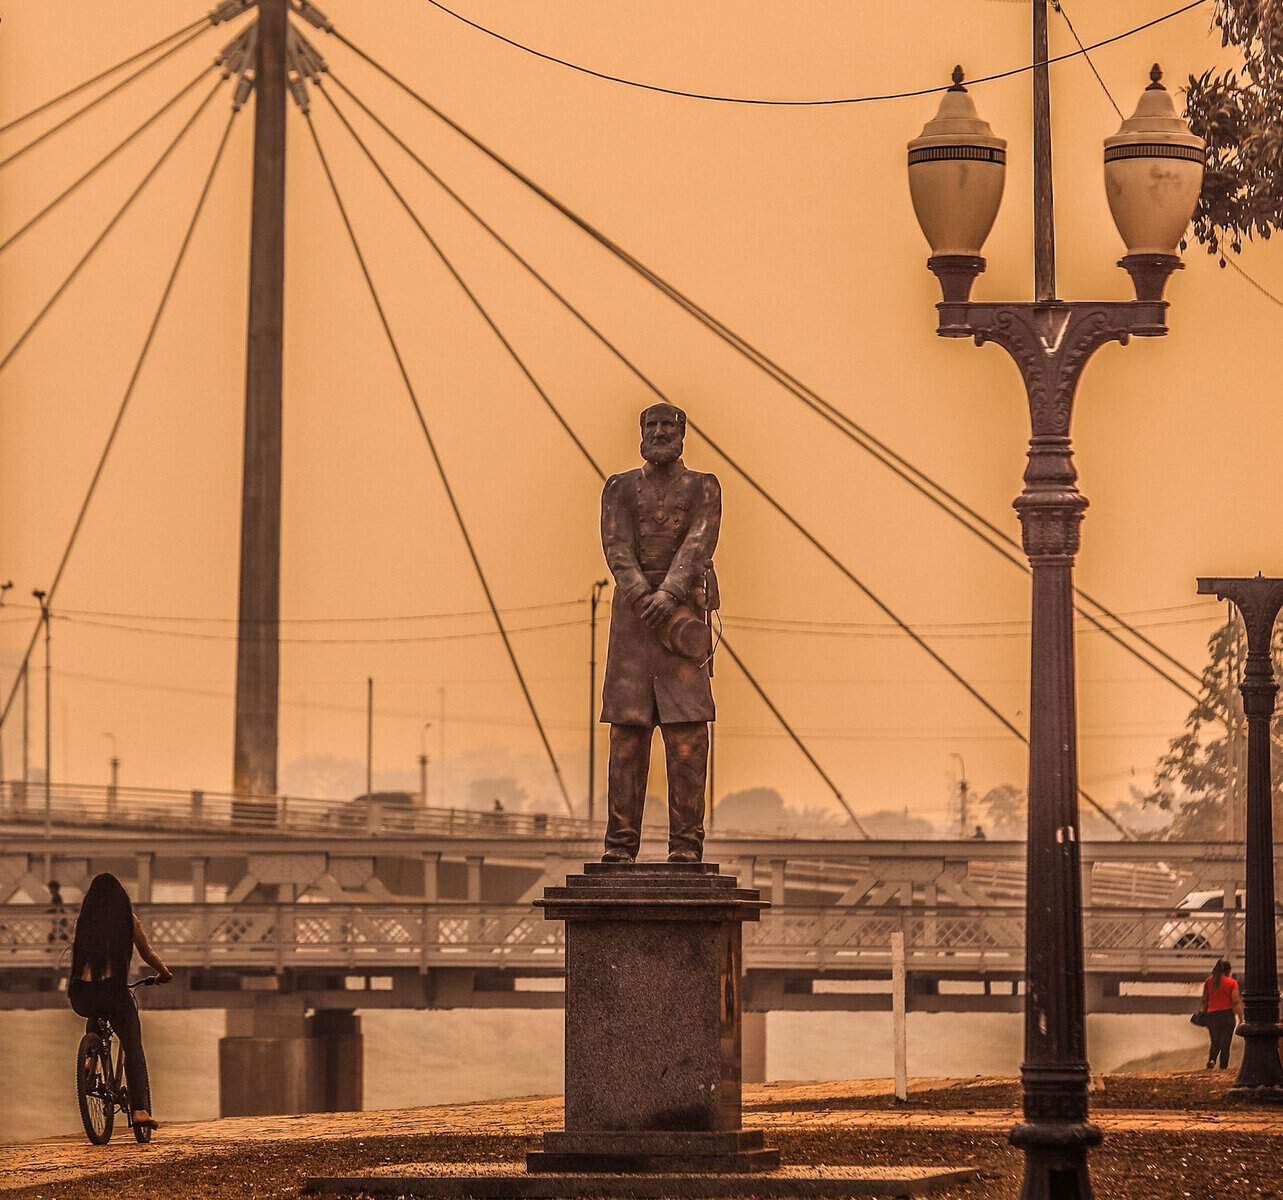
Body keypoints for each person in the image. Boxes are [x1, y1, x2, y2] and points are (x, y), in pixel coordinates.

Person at [599, 402, 721, 864]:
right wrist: (640, 594)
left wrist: (668, 594)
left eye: (667, 425)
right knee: (627, 736)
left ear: (683, 433)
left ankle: (686, 847)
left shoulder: (703, 487)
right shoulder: (619, 488)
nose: (658, 432)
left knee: (688, 735)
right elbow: (616, 545)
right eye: (650, 424)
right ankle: (619, 846)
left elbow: (700, 540)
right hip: (633, 627)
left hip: (682, 618)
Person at [68, 873, 172, 1130]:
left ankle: (91, 1060)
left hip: (81, 995)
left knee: (96, 1008)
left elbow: (77, 958)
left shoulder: (83, 922)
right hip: (113, 993)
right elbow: (147, 953)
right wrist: (164, 973)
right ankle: (139, 1111)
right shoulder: (127, 920)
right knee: (133, 1045)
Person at [1200, 958, 1243, 1070]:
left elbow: (1204, 999)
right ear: (1228, 971)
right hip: (1227, 1015)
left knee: (1215, 1041)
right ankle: (1223, 1067)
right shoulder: (1232, 983)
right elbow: (1235, 1001)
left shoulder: (1209, 981)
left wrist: (1204, 1013)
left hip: (1212, 1015)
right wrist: (1241, 1018)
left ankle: (1212, 1060)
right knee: (1226, 1043)